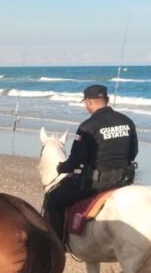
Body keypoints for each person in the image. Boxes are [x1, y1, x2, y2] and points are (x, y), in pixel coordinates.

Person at [41, 84, 138, 241]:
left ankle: (57, 244)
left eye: (86, 102)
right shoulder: (127, 122)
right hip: (123, 180)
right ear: (106, 100)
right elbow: (133, 152)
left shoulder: (87, 127)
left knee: (53, 198)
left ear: (88, 102)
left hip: (96, 184)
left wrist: (61, 167)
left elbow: (75, 161)